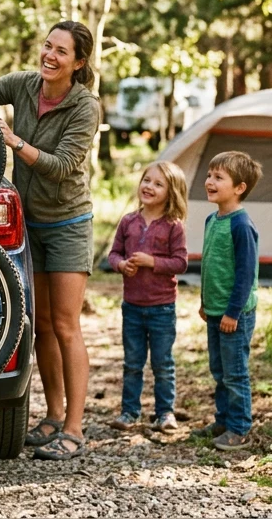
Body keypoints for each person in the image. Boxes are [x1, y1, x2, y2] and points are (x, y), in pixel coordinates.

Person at [0, 20, 102, 461]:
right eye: (48, 46)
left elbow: (62, 166)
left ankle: (76, 428)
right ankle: (53, 414)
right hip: (29, 223)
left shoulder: (85, 107)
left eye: (61, 52)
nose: (50, 55)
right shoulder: (25, 85)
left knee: (65, 325)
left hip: (66, 222)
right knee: (41, 324)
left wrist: (11, 140)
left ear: (78, 62)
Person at [108, 161, 189, 432]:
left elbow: (180, 262)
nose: (149, 186)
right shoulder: (128, 221)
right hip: (132, 306)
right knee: (132, 362)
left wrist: (151, 262)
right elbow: (114, 254)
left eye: (158, 183)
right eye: (146, 180)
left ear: (171, 192)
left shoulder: (173, 226)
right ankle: (129, 412)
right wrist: (122, 265)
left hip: (162, 308)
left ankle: (165, 413)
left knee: (162, 363)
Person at [193, 151, 262, 451]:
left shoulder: (241, 225)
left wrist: (233, 312)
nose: (209, 181)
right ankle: (222, 419)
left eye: (219, 177)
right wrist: (205, 303)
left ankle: (239, 427)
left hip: (235, 314)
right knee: (218, 369)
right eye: (209, 175)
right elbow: (210, 264)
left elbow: (245, 273)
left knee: (235, 372)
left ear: (239, 188)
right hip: (216, 310)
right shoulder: (212, 220)